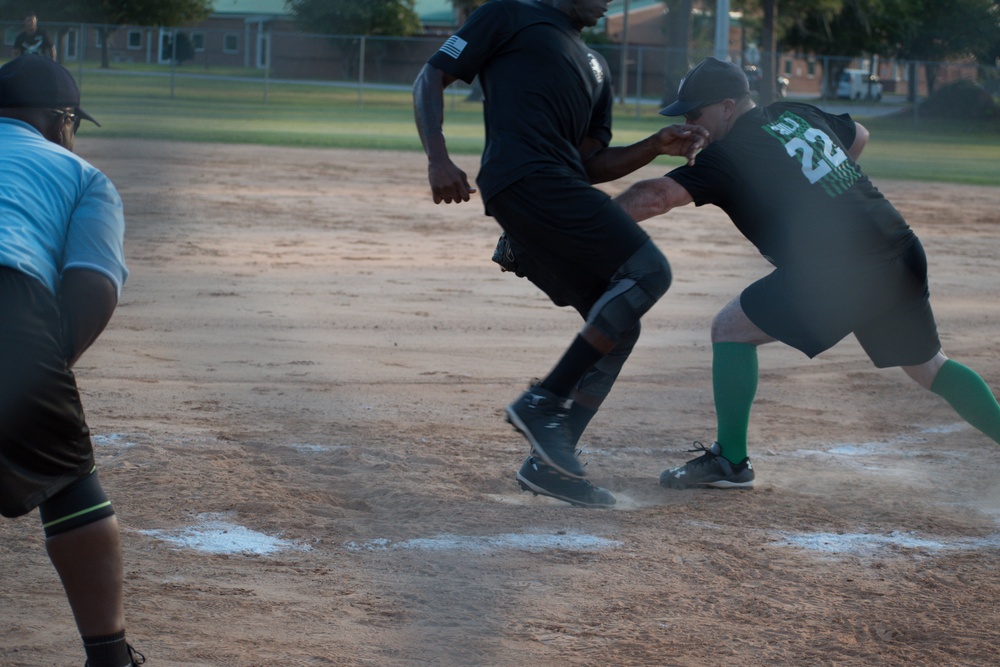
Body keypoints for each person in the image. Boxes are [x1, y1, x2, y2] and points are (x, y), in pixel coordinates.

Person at [613, 57, 1000, 489]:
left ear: (726, 107)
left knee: (730, 329)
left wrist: (590, 222)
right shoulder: (793, 113)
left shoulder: (730, 153)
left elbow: (656, 197)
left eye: (694, 114)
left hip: (843, 269)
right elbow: (859, 134)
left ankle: (731, 461)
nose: (688, 124)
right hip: (900, 247)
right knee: (928, 366)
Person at [413, 0, 707, 507]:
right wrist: (437, 158)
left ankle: (549, 466)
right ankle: (544, 400)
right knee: (650, 271)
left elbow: (590, 164)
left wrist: (655, 145)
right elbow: (431, 76)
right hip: (524, 177)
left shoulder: (597, 67)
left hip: (554, 188)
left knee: (620, 327)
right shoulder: (509, 14)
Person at [0, 55, 144, 666]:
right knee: (67, 480)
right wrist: (35, 375)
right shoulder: (81, 175)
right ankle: (109, 657)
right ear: (61, 119)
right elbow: (93, 288)